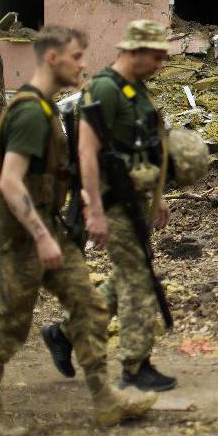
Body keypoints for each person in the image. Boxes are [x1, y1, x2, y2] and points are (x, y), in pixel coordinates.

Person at [0, 26, 156, 436]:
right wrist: (40, 236)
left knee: (88, 306)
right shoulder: (30, 114)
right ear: (52, 58)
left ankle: (104, 397)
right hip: (25, 237)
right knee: (10, 322)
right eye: (76, 56)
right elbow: (10, 183)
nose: (83, 64)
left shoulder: (48, 108)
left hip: (51, 228)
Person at [41, 20, 177, 392]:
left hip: (135, 201)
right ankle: (135, 366)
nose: (160, 64)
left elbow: (146, 147)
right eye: (155, 56)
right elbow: (86, 151)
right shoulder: (103, 88)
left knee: (125, 278)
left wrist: (158, 198)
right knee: (137, 281)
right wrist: (94, 210)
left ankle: (65, 334)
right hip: (111, 202)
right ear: (133, 51)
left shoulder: (137, 91)